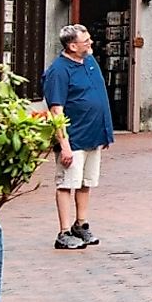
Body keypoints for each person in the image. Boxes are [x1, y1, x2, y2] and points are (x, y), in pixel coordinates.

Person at [40, 24, 114, 249]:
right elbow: (56, 110)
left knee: (86, 182)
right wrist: (64, 145)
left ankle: (80, 224)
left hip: (93, 134)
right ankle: (63, 232)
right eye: (86, 41)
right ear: (72, 46)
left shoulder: (90, 61)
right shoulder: (59, 71)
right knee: (66, 184)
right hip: (74, 137)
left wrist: (105, 131)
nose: (90, 43)